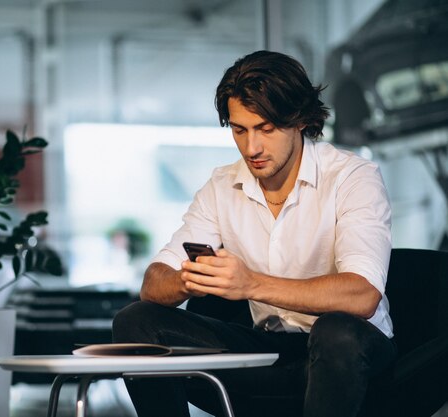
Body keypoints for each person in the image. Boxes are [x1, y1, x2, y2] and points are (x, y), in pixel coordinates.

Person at [112, 50, 397, 417]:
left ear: (300, 121)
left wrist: (250, 284)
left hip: (353, 352)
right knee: (135, 320)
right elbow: (153, 284)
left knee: (335, 330)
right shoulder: (222, 185)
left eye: (266, 128)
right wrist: (189, 278)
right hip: (269, 349)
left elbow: (362, 295)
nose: (252, 148)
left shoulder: (353, 177)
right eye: (239, 129)